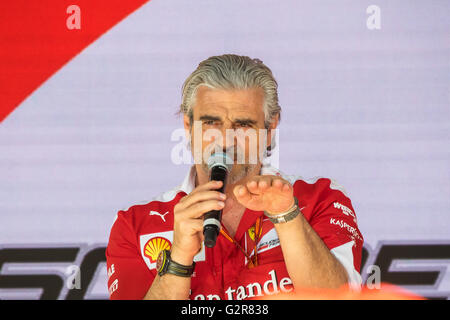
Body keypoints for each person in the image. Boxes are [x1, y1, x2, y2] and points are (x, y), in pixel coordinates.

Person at [105, 54, 364, 300]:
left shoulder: (319, 199)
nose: (226, 139)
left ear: (270, 128)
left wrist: (288, 217)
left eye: (243, 125)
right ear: (188, 126)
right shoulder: (135, 225)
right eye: (211, 123)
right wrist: (178, 259)